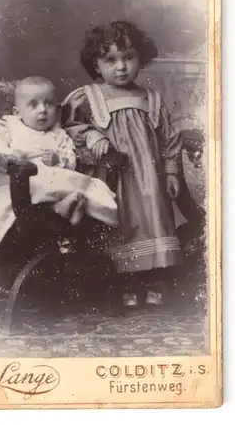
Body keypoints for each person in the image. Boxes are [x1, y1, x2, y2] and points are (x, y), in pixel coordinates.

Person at [61, 21, 183, 306]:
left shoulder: (150, 98)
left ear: (141, 58)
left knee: (155, 221)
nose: (121, 67)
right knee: (120, 223)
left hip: (149, 179)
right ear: (96, 64)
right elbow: (67, 128)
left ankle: (155, 281)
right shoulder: (88, 96)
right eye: (111, 60)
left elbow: (169, 137)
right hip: (113, 178)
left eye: (129, 57)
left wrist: (172, 171)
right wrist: (91, 134)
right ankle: (126, 282)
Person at [0, 76, 118, 269]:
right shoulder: (8, 128)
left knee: (75, 182)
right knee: (10, 196)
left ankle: (64, 207)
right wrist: (12, 157)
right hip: (15, 181)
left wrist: (58, 160)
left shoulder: (59, 135)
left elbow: (70, 160)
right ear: (18, 112)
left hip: (50, 179)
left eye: (48, 104)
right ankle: (63, 208)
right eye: (33, 105)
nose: (42, 110)